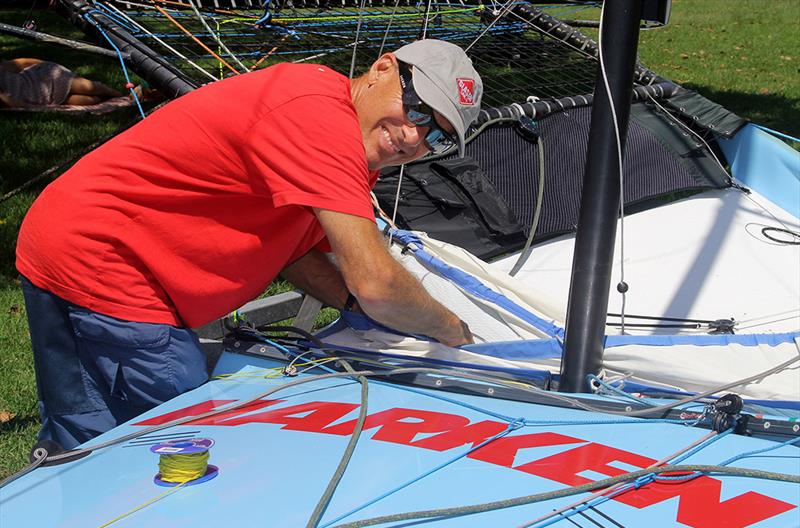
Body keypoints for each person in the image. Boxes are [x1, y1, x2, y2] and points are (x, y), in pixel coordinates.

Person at [16, 39, 483, 449]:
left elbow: (296, 250)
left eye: (437, 136)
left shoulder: (342, 128)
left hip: (88, 245)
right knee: (174, 443)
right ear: (382, 69)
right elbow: (378, 282)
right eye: (417, 109)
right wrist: (452, 331)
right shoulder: (320, 122)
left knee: (90, 421)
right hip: (105, 263)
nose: (412, 136)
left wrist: (350, 305)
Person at [0, 58, 125, 107]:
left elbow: (23, 62)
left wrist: (45, 65)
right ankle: (108, 98)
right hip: (45, 97)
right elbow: (14, 104)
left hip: (44, 78)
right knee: (90, 101)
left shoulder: (2, 67)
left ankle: (121, 95)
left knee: (90, 87)